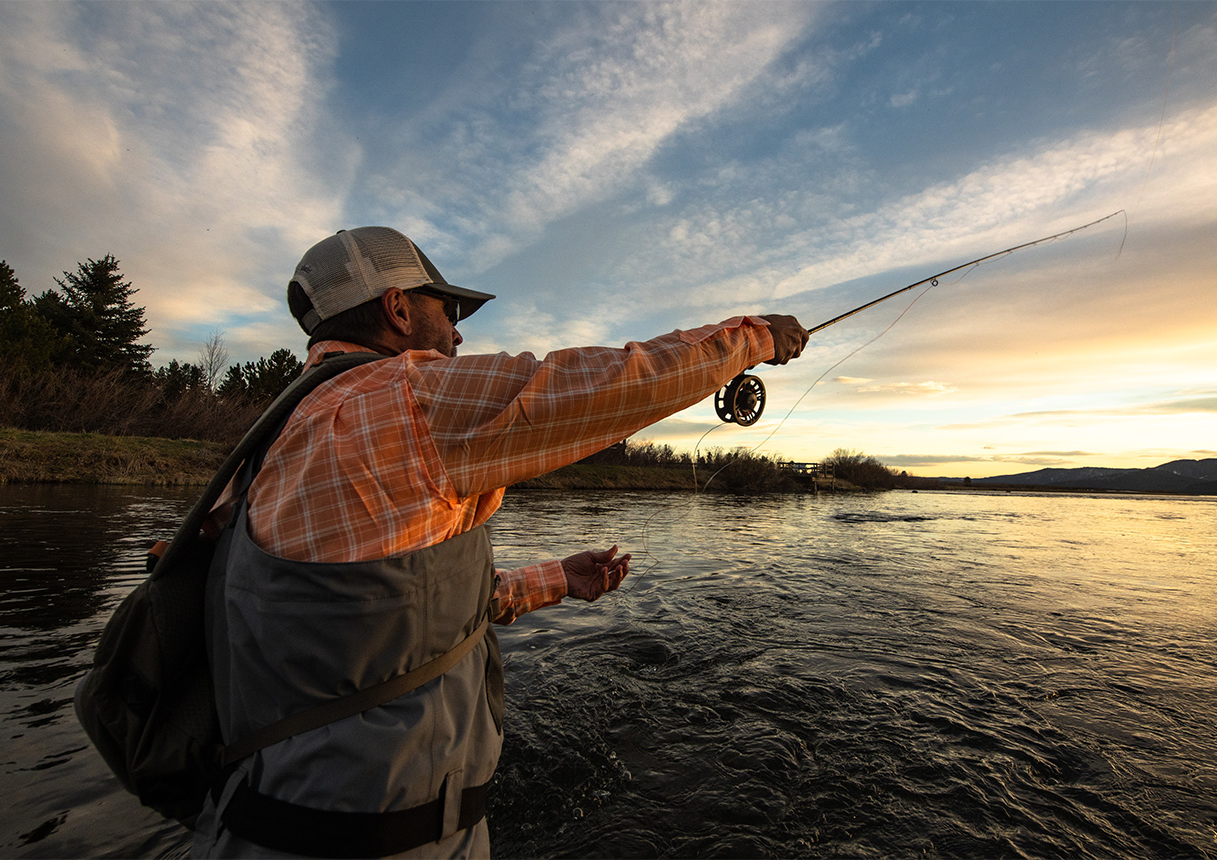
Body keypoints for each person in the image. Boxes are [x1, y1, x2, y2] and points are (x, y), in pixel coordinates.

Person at [192, 226, 808, 859]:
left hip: (240, 828)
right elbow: (609, 383)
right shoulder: (402, 402)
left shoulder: (269, 440)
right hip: (376, 841)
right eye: (448, 310)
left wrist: (556, 581)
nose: (458, 332)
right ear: (398, 309)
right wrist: (753, 338)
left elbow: (375, 623)